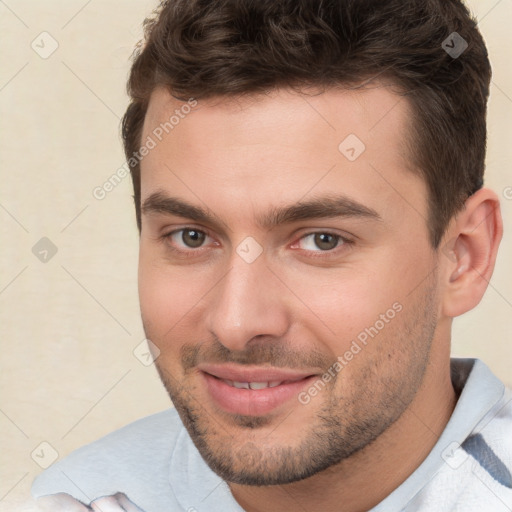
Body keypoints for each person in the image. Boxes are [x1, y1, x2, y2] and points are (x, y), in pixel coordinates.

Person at [31, 0, 512, 510]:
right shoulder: (72, 500)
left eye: (322, 240)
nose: (235, 324)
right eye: (191, 237)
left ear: (464, 257)